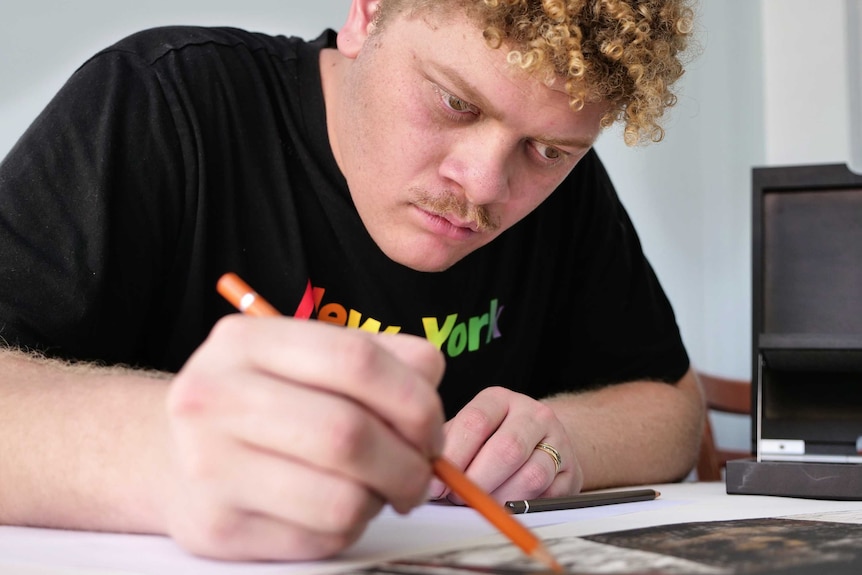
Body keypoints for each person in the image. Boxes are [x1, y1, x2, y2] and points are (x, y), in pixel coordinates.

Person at [0, 0, 704, 563]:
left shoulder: (566, 194)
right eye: (456, 104)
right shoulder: (168, 100)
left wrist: (563, 440)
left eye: (547, 150)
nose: (485, 186)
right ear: (367, 16)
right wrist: (162, 452)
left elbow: (671, 406)